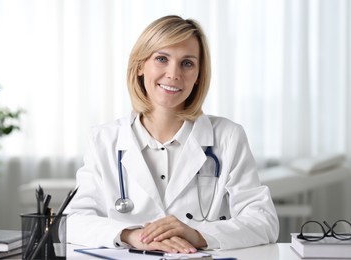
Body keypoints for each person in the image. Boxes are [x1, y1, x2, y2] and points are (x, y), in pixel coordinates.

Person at [66, 15, 279, 253]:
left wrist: (198, 235)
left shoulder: (228, 137)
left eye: (187, 63)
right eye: (161, 59)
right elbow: (73, 221)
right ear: (139, 66)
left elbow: (264, 221)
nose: (174, 73)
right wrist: (132, 236)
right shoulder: (104, 140)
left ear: (198, 75)